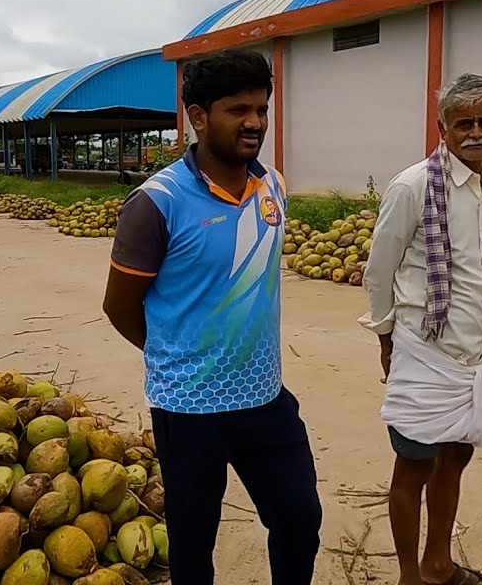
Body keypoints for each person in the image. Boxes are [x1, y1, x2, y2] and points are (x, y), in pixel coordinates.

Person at [102, 49, 322, 585]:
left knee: (299, 517)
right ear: (197, 117)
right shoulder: (157, 203)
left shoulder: (274, 186)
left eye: (262, 109)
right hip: (190, 409)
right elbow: (119, 305)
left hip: (266, 398)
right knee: (193, 541)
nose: (254, 122)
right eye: (237, 109)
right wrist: (178, 354)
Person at [360, 73, 482, 585]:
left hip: (478, 355)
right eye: (463, 122)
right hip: (425, 352)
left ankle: (438, 563)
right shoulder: (413, 186)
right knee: (413, 467)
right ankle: (411, 577)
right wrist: (387, 338)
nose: (474, 131)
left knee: (456, 457)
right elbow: (379, 270)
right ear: (442, 127)